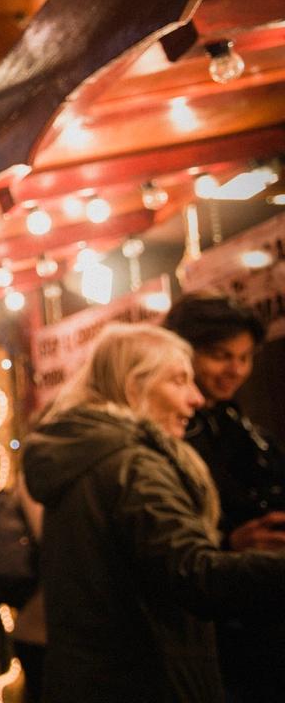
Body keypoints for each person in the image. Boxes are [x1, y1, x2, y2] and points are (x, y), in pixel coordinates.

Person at [23, 323, 285, 703]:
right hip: (147, 682)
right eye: (179, 381)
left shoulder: (85, 454)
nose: (196, 399)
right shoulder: (133, 465)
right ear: (134, 387)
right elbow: (195, 574)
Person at [164, 292, 285, 701]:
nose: (235, 370)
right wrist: (230, 542)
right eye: (220, 355)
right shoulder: (167, 438)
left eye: (245, 357)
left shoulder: (246, 429)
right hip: (215, 633)